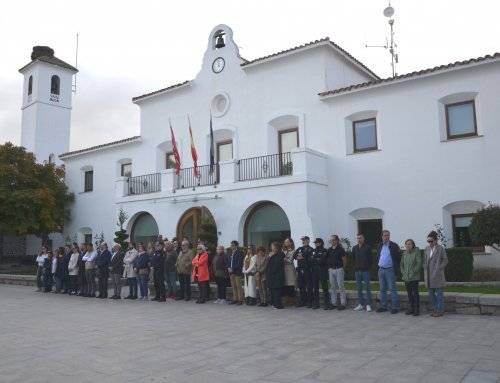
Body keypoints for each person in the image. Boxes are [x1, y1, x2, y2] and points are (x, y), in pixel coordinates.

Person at [376, 230, 401, 314]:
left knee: (392, 288)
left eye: (388, 235)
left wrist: (396, 269)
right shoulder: (380, 245)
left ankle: (395, 307)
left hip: (390, 270)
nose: (387, 237)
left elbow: (398, 258)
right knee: (382, 289)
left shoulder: (394, 245)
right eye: (385, 235)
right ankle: (383, 306)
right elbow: (378, 256)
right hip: (381, 269)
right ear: (382, 236)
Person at [424, 231, 448, 317]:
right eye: (428, 241)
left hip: (437, 275)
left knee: (439, 295)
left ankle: (440, 310)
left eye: (431, 241)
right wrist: (425, 268)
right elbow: (425, 260)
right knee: (431, 295)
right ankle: (435, 309)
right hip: (429, 275)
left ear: (436, 240)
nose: (429, 243)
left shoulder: (440, 248)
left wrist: (439, 268)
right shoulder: (427, 249)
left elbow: (445, 260)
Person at [351, 233, 373, 312]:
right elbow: (353, 259)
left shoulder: (367, 247)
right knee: (359, 288)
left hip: (365, 271)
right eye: (357, 238)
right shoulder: (354, 248)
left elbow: (371, 259)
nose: (359, 239)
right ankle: (361, 304)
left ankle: (368, 304)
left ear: (363, 239)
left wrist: (367, 267)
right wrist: (355, 268)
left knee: (367, 288)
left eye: (360, 238)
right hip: (357, 271)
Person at [401, 239, 422, 316]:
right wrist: (403, 273)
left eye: (409, 244)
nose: (407, 245)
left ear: (413, 245)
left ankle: (416, 309)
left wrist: (412, 272)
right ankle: (411, 308)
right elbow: (401, 265)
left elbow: (419, 263)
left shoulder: (416, 252)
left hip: (414, 277)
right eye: (406, 244)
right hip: (406, 277)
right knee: (409, 294)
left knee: (415, 293)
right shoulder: (404, 253)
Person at [327, 235, 347, 310]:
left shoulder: (340, 249)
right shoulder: (329, 250)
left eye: (333, 240)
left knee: (341, 286)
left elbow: (344, 260)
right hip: (331, 270)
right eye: (331, 240)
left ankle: (343, 303)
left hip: (339, 269)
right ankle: (334, 303)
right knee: (333, 287)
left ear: (337, 241)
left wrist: (342, 268)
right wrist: (329, 268)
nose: (332, 241)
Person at [310, 238, 331, 310]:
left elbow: (322, 260)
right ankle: (316, 303)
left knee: (325, 287)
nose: (316, 244)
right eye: (315, 243)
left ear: (321, 243)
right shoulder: (313, 250)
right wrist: (316, 259)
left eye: (317, 243)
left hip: (322, 270)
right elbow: (311, 260)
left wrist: (315, 259)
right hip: (315, 271)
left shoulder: (325, 250)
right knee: (315, 288)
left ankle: (327, 304)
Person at [293, 236, 314, 307]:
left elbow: (310, 259)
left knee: (309, 286)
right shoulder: (300, 248)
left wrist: (303, 257)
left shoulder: (311, 249)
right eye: (302, 240)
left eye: (304, 240)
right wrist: (300, 257)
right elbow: (294, 256)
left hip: (307, 269)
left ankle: (310, 301)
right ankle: (303, 301)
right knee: (301, 286)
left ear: (308, 241)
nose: (303, 241)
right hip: (300, 269)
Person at [267, 242, 285, 309]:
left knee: (277, 291)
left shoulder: (280, 254)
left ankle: (278, 304)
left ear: (276, 247)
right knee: (273, 290)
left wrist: (271, 272)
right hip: (272, 276)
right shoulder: (272, 254)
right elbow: (268, 263)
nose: (271, 248)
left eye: (272, 247)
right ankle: (274, 303)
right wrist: (270, 256)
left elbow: (276, 265)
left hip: (277, 275)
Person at [228, 240, 244, 305]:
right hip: (231, 272)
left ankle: (240, 300)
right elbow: (229, 261)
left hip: (237, 272)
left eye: (233, 245)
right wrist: (228, 267)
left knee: (238, 286)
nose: (231, 246)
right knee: (233, 286)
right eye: (231, 245)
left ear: (236, 246)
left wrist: (233, 269)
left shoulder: (239, 252)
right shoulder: (231, 253)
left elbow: (239, 263)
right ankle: (235, 299)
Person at [282, 238, 297, 304]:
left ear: (291, 243)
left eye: (287, 242)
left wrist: (284, 258)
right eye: (285, 242)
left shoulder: (293, 251)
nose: (286, 243)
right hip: (284, 269)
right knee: (285, 285)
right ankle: (286, 299)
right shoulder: (283, 251)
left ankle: (292, 300)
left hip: (290, 269)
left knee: (291, 285)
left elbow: (290, 260)